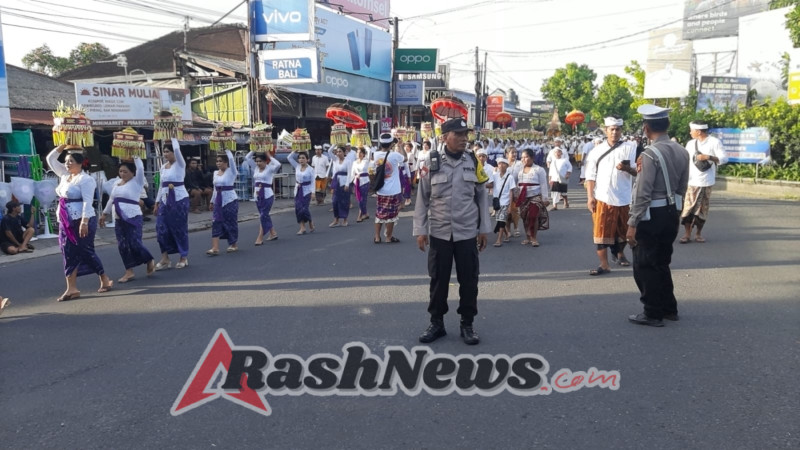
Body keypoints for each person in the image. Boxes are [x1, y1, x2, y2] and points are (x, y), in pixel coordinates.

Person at [414, 117, 491, 345]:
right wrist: (421, 229)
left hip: (467, 232)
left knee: (469, 280)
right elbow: (422, 197)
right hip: (439, 232)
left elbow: (482, 197)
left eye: (465, 135)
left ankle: (467, 323)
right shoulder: (432, 161)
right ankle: (436, 323)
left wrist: (484, 229)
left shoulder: (473, 161)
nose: (463, 139)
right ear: (445, 137)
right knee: (438, 280)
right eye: (458, 135)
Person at [626, 104, 690, 327]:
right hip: (671, 212)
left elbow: (643, 193)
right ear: (667, 125)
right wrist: (676, 211)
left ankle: (652, 312)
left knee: (645, 264)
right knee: (662, 262)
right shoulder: (682, 151)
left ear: (646, 128)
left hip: (650, 215)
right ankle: (668, 308)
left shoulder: (650, 154)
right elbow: (683, 186)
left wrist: (632, 223)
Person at [47, 145, 113, 301]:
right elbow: (50, 159)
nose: (67, 164)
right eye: (66, 161)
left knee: (85, 250)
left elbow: (87, 202)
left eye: (70, 161)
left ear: (80, 163)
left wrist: (84, 221)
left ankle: (103, 277)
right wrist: (63, 144)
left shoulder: (86, 179)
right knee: (67, 251)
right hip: (65, 219)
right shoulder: (64, 176)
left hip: (82, 219)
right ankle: (71, 288)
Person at [584, 117, 638, 275]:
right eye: (611, 129)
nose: (615, 132)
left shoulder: (630, 147)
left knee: (623, 231)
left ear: (621, 130)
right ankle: (604, 264)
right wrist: (590, 197)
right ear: (605, 130)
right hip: (603, 197)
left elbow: (636, 171)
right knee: (601, 232)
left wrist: (627, 169)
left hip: (624, 197)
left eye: (618, 129)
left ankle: (619, 253)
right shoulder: (597, 150)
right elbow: (590, 176)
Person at [100, 157, 155, 283]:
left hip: (133, 216)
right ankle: (129, 271)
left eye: (126, 171)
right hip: (118, 217)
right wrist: (104, 214)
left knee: (134, 242)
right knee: (122, 245)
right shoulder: (117, 184)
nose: (123, 174)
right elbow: (111, 199)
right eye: (121, 171)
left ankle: (148, 259)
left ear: (132, 173)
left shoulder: (137, 182)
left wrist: (135, 156)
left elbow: (140, 168)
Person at [680, 120, 728, 244]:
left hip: (706, 181)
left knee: (702, 210)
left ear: (698, 131)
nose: (690, 132)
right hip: (691, 181)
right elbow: (685, 161)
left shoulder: (714, 142)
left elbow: (724, 158)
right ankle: (687, 234)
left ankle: (698, 234)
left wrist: (709, 157)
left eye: (692, 130)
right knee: (688, 208)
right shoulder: (690, 144)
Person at [154, 139, 189, 270]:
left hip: (179, 199)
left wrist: (172, 136)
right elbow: (161, 186)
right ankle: (165, 258)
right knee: (160, 228)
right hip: (165, 200)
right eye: (164, 152)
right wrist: (157, 202)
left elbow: (177, 150)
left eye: (168, 151)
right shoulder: (163, 167)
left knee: (179, 228)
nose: (166, 154)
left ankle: (183, 257)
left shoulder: (180, 164)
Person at [371, 133, 407, 243]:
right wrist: (400, 146)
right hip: (393, 190)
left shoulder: (375, 154)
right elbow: (405, 158)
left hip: (381, 189)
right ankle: (388, 237)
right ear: (391, 144)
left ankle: (377, 237)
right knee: (391, 215)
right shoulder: (394, 155)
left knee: (379, 213)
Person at [246, 150, 281, 244]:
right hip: (257, 195)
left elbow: (278, 164)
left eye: (260, 161)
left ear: (265, 161)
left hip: (267, 195)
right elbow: (247, 158)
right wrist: (253, 150)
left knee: (263, 215)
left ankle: (260, 237)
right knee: (264, 215)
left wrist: (269, 156)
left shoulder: (270, 169)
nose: (258, 163)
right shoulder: (256, 168)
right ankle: (273, 233)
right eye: (257, 161)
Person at [207, 149, 239, 255]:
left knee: (230, 221)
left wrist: (227, 150)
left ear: (226, 162)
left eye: (220, 161)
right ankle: (215, 247)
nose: (218, 163)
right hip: (218, 200)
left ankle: (233, 243)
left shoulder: (231, 171)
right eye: (217, 161)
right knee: (216, 222)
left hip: (229, 200)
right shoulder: (215, 173)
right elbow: (215, 188)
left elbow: (232, 161)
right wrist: (212, 201)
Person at [516, 148, 550, 247]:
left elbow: (543, 184)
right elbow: (517, 183)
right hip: (523, 197)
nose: (523, 159)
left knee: (533, 216)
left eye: (526, 157)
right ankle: (527, 237)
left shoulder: (539, 170)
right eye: (522, 157)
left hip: (535, 197)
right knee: (525, 217)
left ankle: (534, 237)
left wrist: (545, 198)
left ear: (532, 158)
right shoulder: (520, 170)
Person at [488, 157, 516, 247]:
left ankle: (499, 239)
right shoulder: (495, 175)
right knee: (500, 219)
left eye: (503, 164)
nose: (501, 165)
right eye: (499, 163)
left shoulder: (510, 177)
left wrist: (510, 206)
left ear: (507, 166)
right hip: (497, 202)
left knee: (501, 221)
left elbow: (511, 192)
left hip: (505, 202)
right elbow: (490, 184)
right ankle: (507, 234)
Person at [288, 149, 316, 235]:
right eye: (300, 158)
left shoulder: (310, 169)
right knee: (298, 208)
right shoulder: (297, 166)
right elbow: (289, 158)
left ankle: (310, 221)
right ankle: (302, 227)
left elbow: (313, 181)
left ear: (307, 159)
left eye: (303, 158)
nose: (301, 160)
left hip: (307, 190)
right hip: (298, 190)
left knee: (304, 209)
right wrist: (295, 151)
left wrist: (313, 192)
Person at [329, 146, 353, 227]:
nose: (338, 153)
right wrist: (335, 143)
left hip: (344, 183)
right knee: (335, 201)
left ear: (344, 152)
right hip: (336, 182)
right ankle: (336, 219)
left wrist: (347, 184)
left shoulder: (348, 161)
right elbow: (329, 151)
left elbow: (349, 173)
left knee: (344, 201)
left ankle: (345, 219)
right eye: (337, 152)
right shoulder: (335, 160)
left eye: (340, 151)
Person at [350, 147, 371, 223]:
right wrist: (350, 183)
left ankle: (360, 215)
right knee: (359, 199)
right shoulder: (354, 162)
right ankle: (365, 213)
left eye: (360, 152)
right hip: (357, 182)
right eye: (357, 152)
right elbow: (352, 173)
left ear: (363, 154)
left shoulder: (366, 161)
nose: (359, 154)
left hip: (365, 181)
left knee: (363, 199)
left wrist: (363, 143)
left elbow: (369, 150)